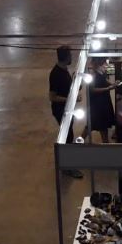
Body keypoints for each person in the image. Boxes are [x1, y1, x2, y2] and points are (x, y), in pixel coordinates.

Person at [49, 45, 82, 178]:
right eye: (70, 56)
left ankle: (67, 163)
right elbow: (52, 96)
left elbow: (66, 88)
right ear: (65, 57)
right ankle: (68, 167)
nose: (71, 58)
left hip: (68, 109)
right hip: (61, 111)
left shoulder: (64, 70)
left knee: (69, 136)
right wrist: (70, 98)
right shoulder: (55, 74)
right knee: (67, 137)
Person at [86, 57, 115, 143]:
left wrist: (112, 83)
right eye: (103, 60)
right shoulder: (91, 72)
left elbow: (103, 78)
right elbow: (91, 89)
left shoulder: (98, 67)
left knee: (93, 123)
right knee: (101, 124)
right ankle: (106, 145)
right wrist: (107, 89)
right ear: (98, 59)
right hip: (98, 102)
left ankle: (79, 141)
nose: (105, 62)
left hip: (103, 100)